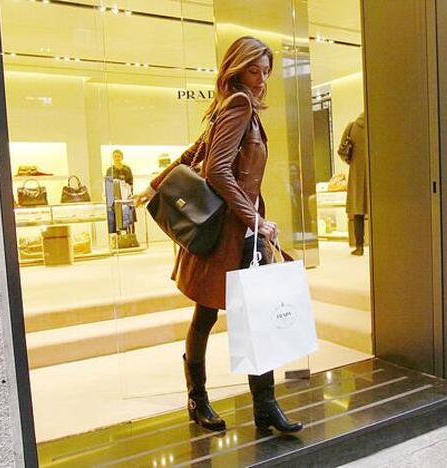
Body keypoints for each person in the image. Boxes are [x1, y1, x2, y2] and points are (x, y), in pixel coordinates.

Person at [134, 36, 303, 434]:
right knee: (209, 315)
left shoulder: (232, 108)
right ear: (236, 69)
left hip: (232, 233)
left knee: (246, 317)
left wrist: (156, 182)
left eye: (265, 71)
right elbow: (216, 170)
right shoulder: (239, 105)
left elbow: (196, 151)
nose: (261, 79)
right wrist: (256, 221)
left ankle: (263, 405)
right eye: (253, 70)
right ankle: (202, 400)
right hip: (226, 235)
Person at [338, 113, 368, 256]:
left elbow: (341, 150)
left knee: (358, 213)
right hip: (375, 175)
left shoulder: (352, 126)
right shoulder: (377, 126)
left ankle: (359, 246)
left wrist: (352, 161)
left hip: (357, 174)